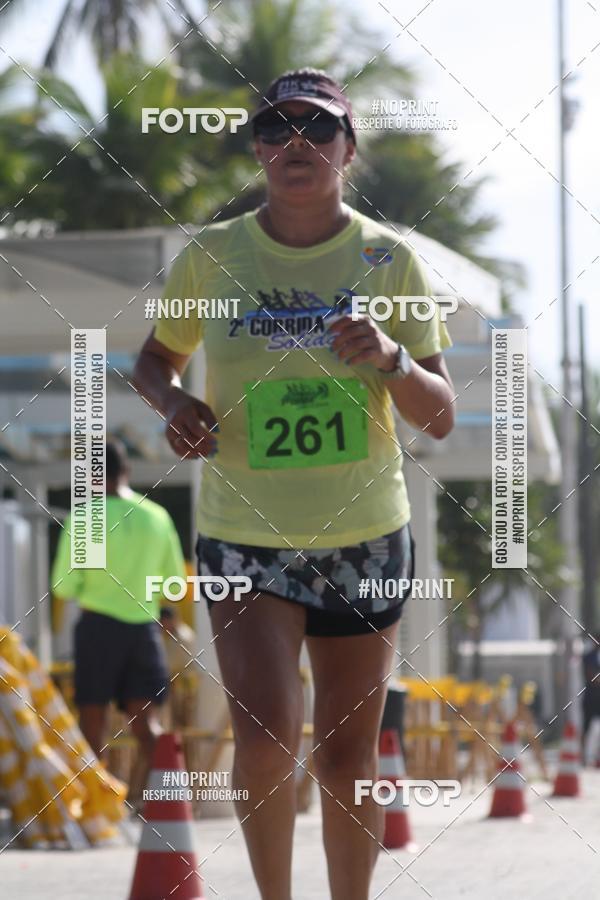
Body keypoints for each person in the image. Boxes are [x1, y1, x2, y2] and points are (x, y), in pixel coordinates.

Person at [133, 68, 455, 900]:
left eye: (316, 129)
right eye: (276, 130)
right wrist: (176, 403)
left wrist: (390, 358)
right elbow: (153, 361)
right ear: (257, 150)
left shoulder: (390, 259)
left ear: (348, 148)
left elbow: (441, 413)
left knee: (347, 758)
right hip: (246, 532)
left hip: (365, 537)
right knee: (269, 736)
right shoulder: (213, 255)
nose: (295, 145)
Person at [51, 440, 186, 806]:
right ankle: (160, 805)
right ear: (127, 471)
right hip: (144, 630)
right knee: (148, 727)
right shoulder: (157, 517)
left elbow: (64, 585)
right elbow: (174, 581)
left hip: (97, 628)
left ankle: (102, 804)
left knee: (93, 722)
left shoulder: (83, 518)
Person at [582, 634, 600, 763]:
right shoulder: (588, 657)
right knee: (587, 727)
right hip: (591, 698)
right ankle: (584, 756)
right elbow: (591, 676)